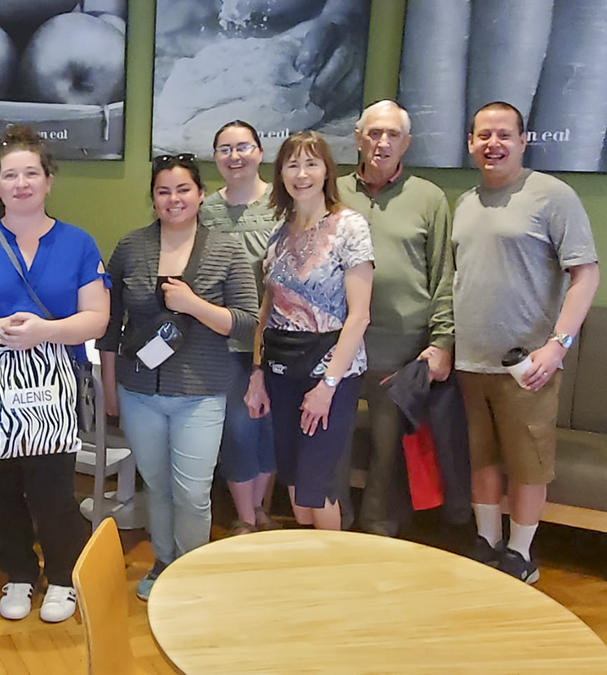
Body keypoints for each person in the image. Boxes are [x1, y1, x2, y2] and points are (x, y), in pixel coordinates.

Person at [0, 126, 109, 624]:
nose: (22, 182)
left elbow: (95, 317)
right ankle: (18, 573)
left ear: (49, 180)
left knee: (53, 489)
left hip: (51, 393)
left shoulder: (77, 243)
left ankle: (60, 578)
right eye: (11, 175)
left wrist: (44, 331)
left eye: (32, 172)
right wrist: (4, 329)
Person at [99, 152, 258, 601]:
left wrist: (195, 306)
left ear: (201, 194)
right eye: (163, 191)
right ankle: (164, 561)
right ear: (152, 198)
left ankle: (192, 568)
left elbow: (247, 322)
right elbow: (110, 325)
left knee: (192, 492)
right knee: (158, 486)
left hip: (201, 394)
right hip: (138, 392)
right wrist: (110, 386)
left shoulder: (226, 249)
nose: (173, 199)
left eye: (183, 189)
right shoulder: (131, 247)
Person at [454, 101, 599, 583]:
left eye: (504, 135)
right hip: (471, 360)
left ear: (522, 141)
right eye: (483, 136)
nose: (493, 144)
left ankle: (521, 554)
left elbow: (585, 273)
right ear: (471, 142)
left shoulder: (552, 196)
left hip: (528, 365)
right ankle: (487, 541)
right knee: (483, 457)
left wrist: (558, 345)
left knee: (528, 464)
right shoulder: (466, 202)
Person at [336, 100, 457, 537]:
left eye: (392, 135)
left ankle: (377, 533)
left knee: (388, 455)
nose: (381, 142)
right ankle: (333, 529)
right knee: (333, 444)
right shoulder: (332, 193)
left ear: (406, 143)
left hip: (401, 351)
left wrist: (442, 342)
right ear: (358, 137)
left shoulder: (430, 198)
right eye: (373, 133)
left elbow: (444, 274)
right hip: (337, 349)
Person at [244, 131, 374, 531]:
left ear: (326, 171)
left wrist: (328, 385)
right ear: (280, 172)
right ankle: (307, 572)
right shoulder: (279, 232)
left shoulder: (350, 227)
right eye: (292, 164)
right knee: (298, 492)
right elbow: (268, 307)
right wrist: (257, 372)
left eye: (311, 163)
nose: (302, 174)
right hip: (283, 369)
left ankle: (330, 579)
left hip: (331, 370)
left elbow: (360, 316)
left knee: (318, 489)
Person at [198, 120, 280, 535]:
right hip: (225, 340)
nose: (235, 156)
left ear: (260, 152)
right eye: (225, 149)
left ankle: (261, 510)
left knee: (269, 428)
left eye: (243, 147)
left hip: (280, 339)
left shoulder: (282, 206)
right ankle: (246, 518)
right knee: (240, 428)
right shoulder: (206, 210)